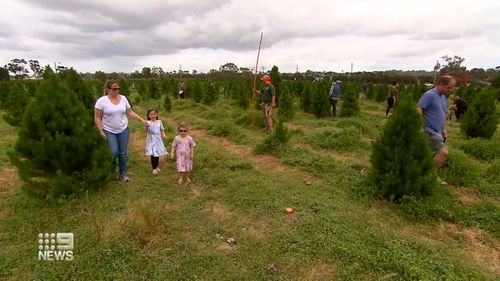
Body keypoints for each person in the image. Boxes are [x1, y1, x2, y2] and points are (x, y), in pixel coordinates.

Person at [94, 80, 148, 182]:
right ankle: (112, 171)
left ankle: (123, 174)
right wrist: (100, 131)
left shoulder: (123, 98)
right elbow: (97, 118)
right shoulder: (101, 101)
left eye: (118, 89)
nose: (117, 91)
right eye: (114, 89)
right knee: (114, 152)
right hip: (108, 130)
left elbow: (130, 112)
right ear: (108, 89)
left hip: (123, 130)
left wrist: (142, 120)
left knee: (122, 153)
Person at [417, 75, 456, 169]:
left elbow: (441, 112)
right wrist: (419, 127)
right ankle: (431, 174)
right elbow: (419, 109)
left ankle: (420, 172)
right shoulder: (429, 95)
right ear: (441, 84)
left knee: (424, 154)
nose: (450, 90)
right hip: (429, 130)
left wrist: (443, 128)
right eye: (449, 88)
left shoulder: (442, 97)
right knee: (443, 152)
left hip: (438, 131)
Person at [145, 108, 168, 175]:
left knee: (157, 153)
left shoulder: (159, 122)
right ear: (149, 115)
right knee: (153, 154)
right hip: (151, 140)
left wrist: (164, 135)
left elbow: (162, 129)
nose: (153, 116)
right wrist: (146, 127)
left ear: (156, 114)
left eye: (154, 114)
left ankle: (156, 166)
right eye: (151, 114)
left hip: (158, 139)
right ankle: (154, 168)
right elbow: (146, 130)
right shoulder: (148, 122)